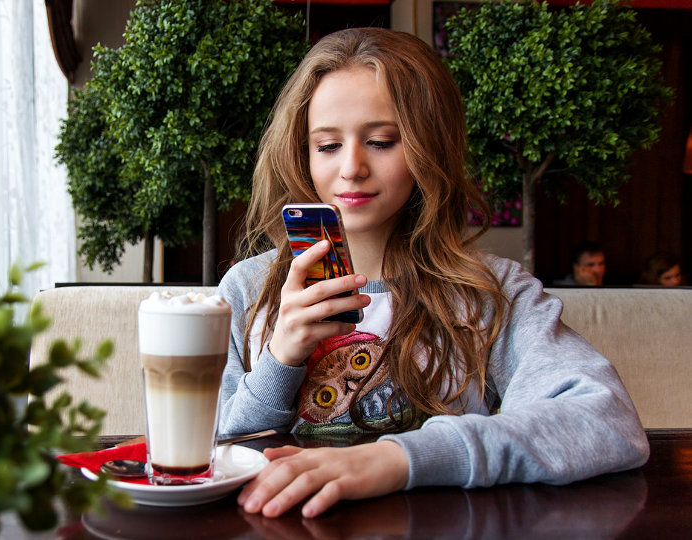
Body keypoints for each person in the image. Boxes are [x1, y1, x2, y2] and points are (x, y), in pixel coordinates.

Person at [216, 28, 647, 519]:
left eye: (381, 141)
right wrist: (279, 362)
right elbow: (199, 454)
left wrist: (400, 458)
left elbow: (608, 420)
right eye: (328, 145)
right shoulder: (250, 290)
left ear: (429, 146)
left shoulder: (490, 293)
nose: (352, 167)